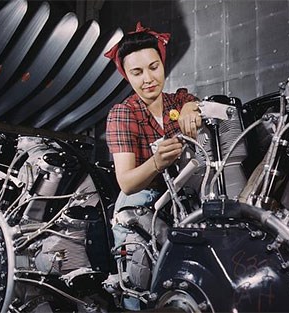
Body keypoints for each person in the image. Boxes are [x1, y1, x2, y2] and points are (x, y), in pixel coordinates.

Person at [104, 22, 202, 309]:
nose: (148, 79)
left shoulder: (180, 99)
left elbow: (197, 106)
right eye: (137, 72)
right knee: (141, 290)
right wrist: (157, 162)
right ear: (126, 76)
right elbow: (127, 182)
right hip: (139, 210)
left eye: (153, 67)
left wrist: (191, 108)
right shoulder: (123, 114)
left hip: (181, 204)